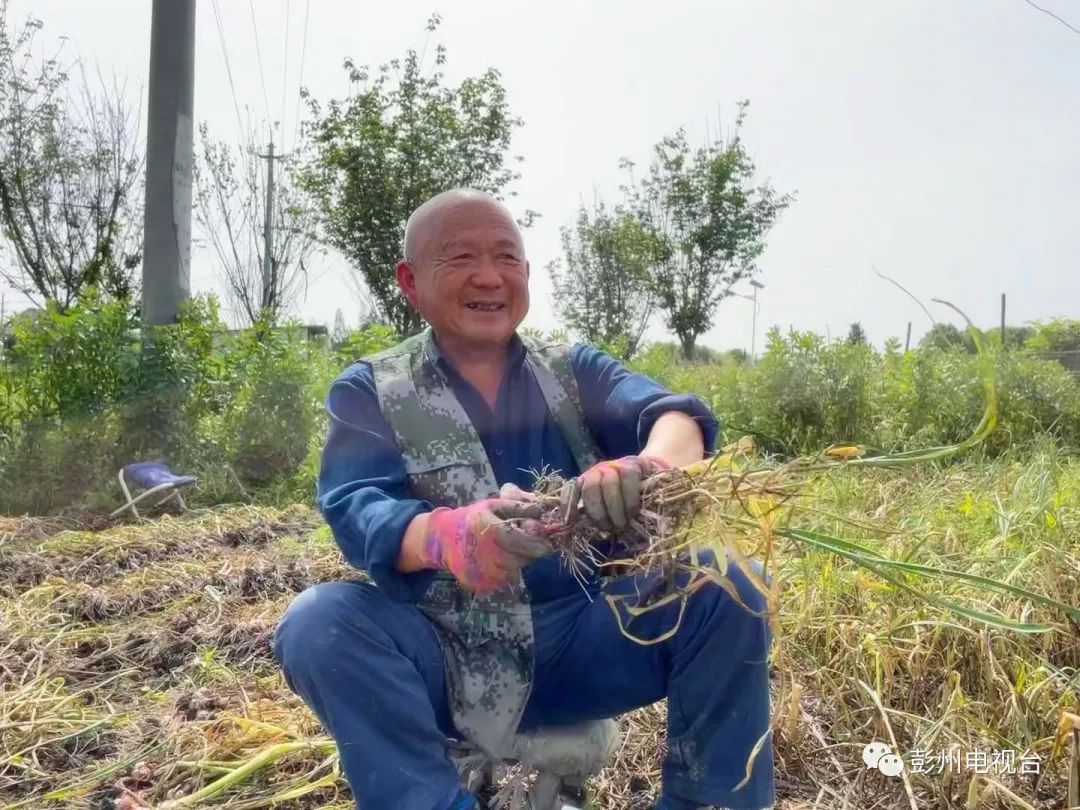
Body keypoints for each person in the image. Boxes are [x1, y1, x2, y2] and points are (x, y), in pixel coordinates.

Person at [273, 189, 774, 810]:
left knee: (724, 583)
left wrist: (645, 465)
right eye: (460, 258)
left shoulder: (572, 370)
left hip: (581, 643)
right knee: (318, 623)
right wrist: (450, 536)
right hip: (446, 651)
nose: (489, 277)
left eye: (506, 258)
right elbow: (357, 511)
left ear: (527, 275)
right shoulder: (372, 390)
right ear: (410, 281)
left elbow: (676, 417)